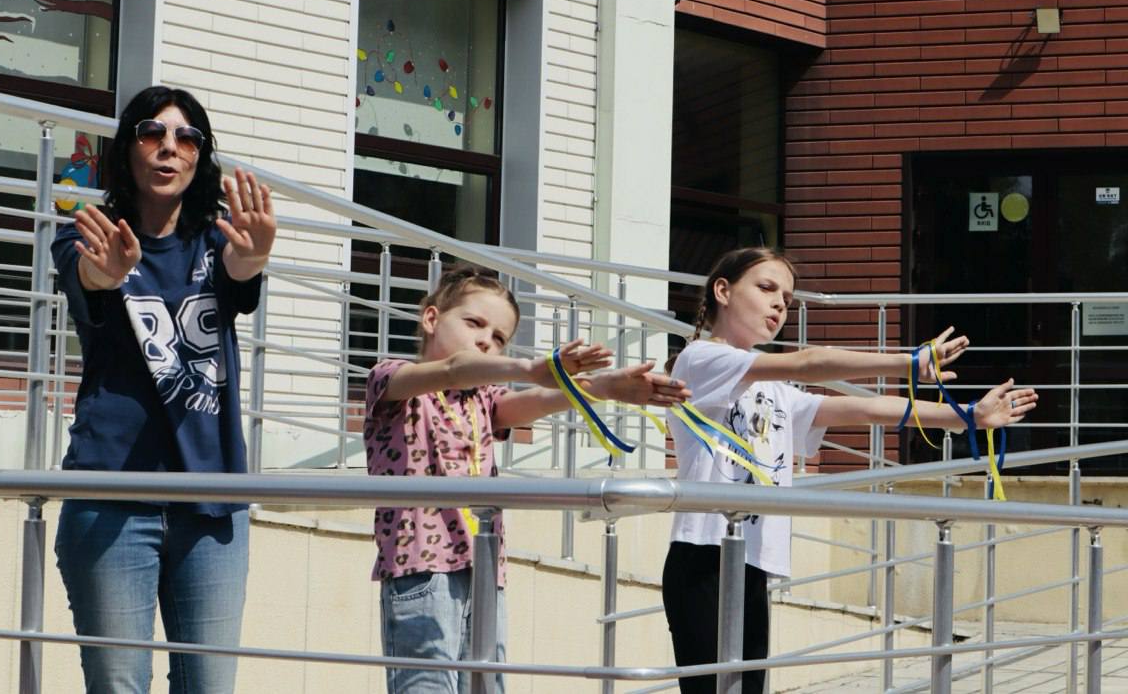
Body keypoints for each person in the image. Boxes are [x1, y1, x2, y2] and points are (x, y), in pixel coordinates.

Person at [662, 247, 1037, 694]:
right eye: (766, 288)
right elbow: (809, 362)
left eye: (787, 298)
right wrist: (909, 362)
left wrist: (967, 416)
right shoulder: (701, 359)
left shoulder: (776, 391)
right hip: (702, 556)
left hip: (752, 561)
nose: (779, 304)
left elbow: (865, 407)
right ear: (723, 291)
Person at [366, 265, 691, 694]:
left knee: (487, 687)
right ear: (431, 319)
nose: (486, 340)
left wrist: (603, 388)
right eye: (474, 323)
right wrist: (528, 367)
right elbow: (454, 369)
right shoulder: (391, 378)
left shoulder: (482, 400)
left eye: (499, 337)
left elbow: (536, 400)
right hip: (420, 568)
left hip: (483, 569)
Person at [50, 85, 276, 693]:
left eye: (186, 137)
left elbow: (238, 275)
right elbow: (88, 276)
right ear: (128, 149)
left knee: (209, 687)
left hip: (212, 502)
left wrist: (254, 258)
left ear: (200, 156)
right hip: (111, 495)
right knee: (119, 685)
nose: (168, 147)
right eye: (152, 132)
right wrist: (107, 272)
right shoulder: (88, 235)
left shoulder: (218, 240)